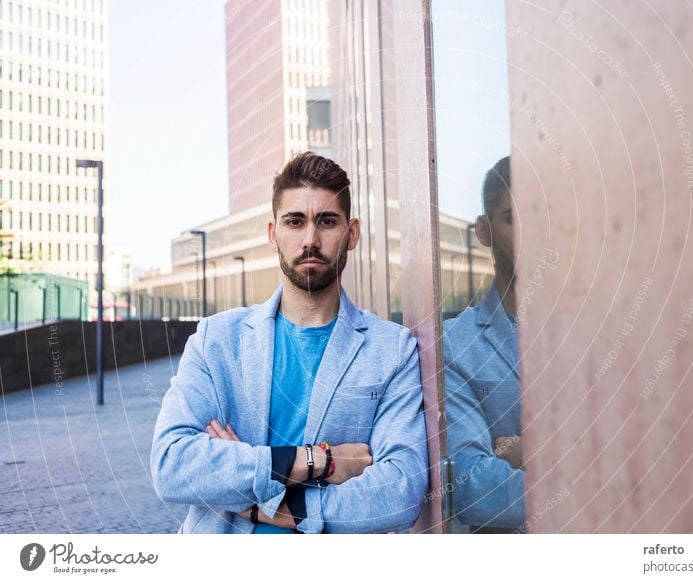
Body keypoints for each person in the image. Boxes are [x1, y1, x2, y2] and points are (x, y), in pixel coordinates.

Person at [150, 152, 429, 534]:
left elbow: (400, 492)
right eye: (295, 222)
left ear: (352, 234)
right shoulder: (216, 341)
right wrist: (318, 462)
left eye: (327, 222)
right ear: (273, 234)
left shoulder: (392, 350)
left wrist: (271, 506)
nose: (310, 239)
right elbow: (172, 465)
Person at [443, 156, 547, 532]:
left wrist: (532, 451)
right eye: (513, 217)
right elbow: (473, 489)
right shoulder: (455, 344)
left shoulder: (595, 333)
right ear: (484, 231)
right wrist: (586, 470)